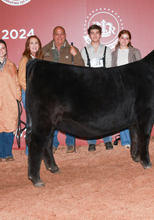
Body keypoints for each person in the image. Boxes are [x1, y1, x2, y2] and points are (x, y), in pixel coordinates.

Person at [41, 26, 85, 153]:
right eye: (56, 34)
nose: (59, 37)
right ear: (53, 35)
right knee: (52, 117)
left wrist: (75, 56)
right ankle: (53, 143)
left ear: (65, 35)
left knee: (69, 117)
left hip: (68, 90)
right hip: (51, 91)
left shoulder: (73, 49)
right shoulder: (45, 50)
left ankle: (70, 142)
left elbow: (81, 67)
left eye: (61, 34)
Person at [80, 24, 113, 152]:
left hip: (104, 86)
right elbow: (83, 70)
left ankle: (107, 140)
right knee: (90, 115)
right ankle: (92, 141)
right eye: (92, 33)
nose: (94, 35)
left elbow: (109, 69)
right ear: (89, 35)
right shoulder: (84, 51)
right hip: (89, 86)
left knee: (106, 114)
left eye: (97, 33)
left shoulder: (107, 50)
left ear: (100, 34)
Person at [111, 30, 142, 148]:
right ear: (119, 39)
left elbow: (140, 69)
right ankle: (126, 141)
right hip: (118, 88)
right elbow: (111, 71)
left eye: (127, 38)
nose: (124, 40)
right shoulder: (113, 54)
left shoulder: (135, 52)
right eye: (122, 38)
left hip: (133, 87)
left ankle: (137, 139)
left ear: (130, 40)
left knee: (135, 113)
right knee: (123, 115)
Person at [18, 35, 43, 155]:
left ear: (39, 45)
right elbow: (21, 79)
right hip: (29, 94)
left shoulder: (39, 59)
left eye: (36, 43)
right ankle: (29, 151)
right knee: (32, 122)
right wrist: (31, 92)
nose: (34, 45)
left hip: (38, 95)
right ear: (28, 46)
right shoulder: (25, 59)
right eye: (31, 43)